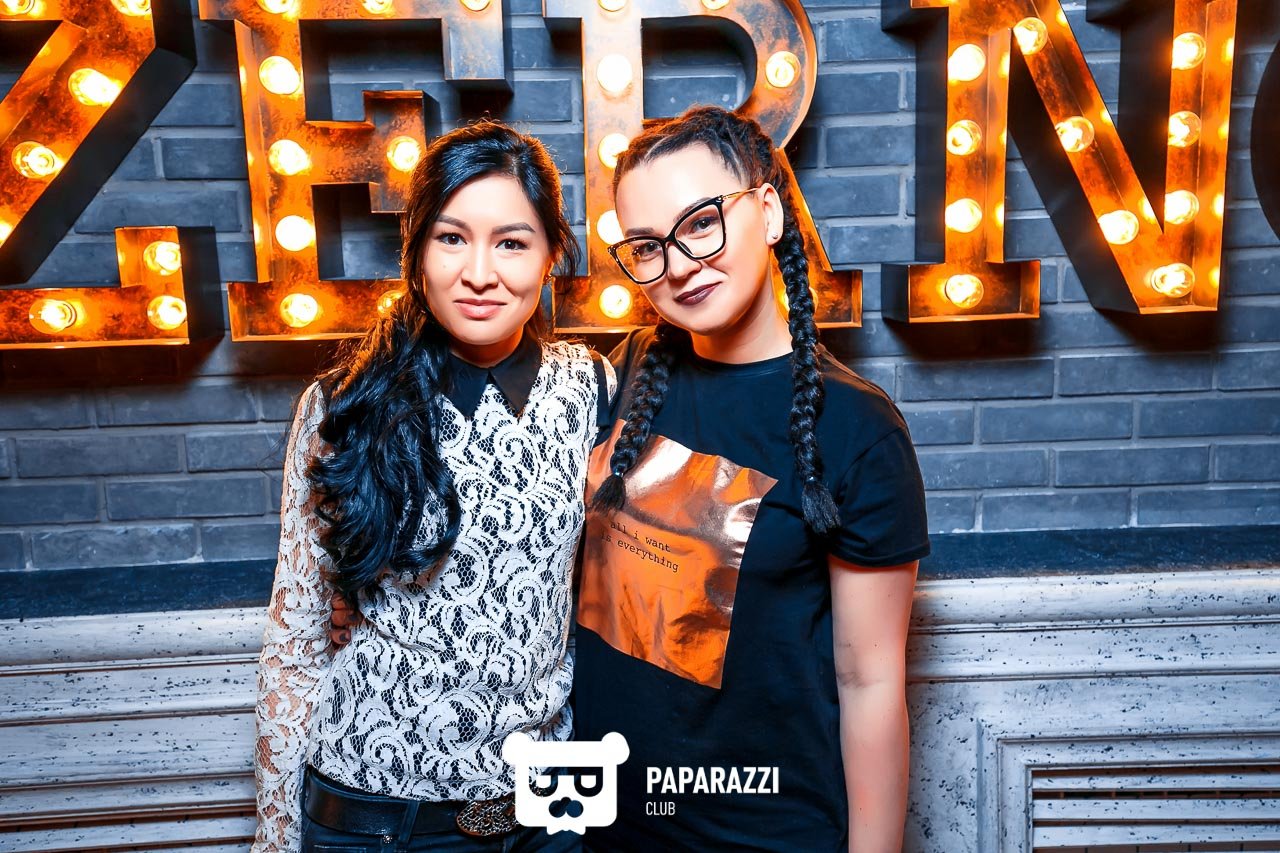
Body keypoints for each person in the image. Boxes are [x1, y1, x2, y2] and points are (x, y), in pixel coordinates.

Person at [572, 105, 930, 852]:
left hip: (765, 832)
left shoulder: (857, 429)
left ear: (767, 211)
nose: (678, 265)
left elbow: (869, 683)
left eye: (701, 223)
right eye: (647, 246)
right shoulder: (629, 369)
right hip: (609, 828)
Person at [254, 120, 611, 852]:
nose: (479, 272)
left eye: (511, 242)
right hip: (381, 815)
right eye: (452, 238)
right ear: (417, 253)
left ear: (552, 254)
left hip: (546, 806)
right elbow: (296, 638)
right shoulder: (343, 405)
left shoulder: (592, 388)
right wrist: (276, 833)